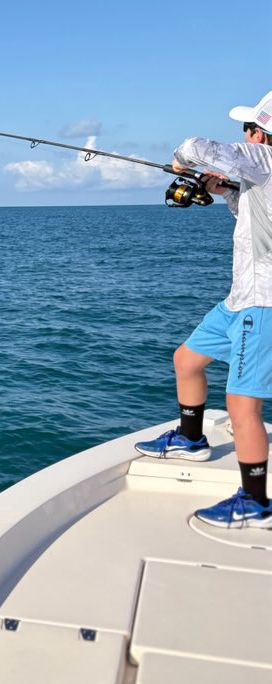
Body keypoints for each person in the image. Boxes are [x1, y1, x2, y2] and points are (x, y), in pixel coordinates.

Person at [135, 89, 272, 528]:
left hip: (263, 304)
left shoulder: (264, 159)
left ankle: (256, 502)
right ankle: (190, 439)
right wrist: (227, 190)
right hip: (239, 298)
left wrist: (181, 163)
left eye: (248, 129)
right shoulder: (261, 174)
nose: (246, 135)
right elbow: (254, 216)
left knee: (242, 405)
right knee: (187, 360)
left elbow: (194, 146)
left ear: (261, 134)